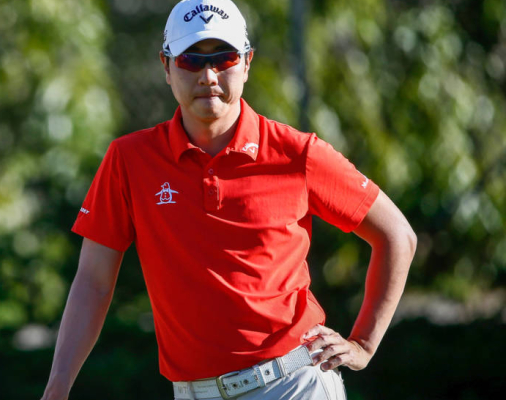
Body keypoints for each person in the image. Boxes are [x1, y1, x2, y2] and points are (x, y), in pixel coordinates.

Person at [41, 0, 416, 398]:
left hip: (293, 385)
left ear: (247, 62)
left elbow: (397, 236)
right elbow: (93, 282)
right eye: (190, 60)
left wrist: (363, 345)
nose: (208, 75)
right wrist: (58, 387)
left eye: (224, 58)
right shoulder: (129, 160)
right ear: (166, 67)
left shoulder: (297, 152)